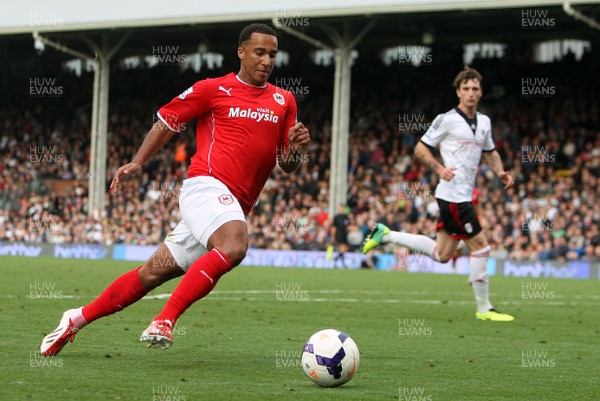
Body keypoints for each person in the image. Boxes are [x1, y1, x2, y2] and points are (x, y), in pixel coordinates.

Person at [40, 23, 310, 356]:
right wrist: (139, 161)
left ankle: (76, 318)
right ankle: (164, 319)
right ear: (241, 52)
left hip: (230, 207)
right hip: (205, 188)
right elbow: (167, 121)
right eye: (260, 52)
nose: (267, 60)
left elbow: (286, 164)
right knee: (235, 244)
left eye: (272, 54)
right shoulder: (214, 89)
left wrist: (296, 149)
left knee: (151, 274)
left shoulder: (285, 101)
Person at [362, 66, 514, 322]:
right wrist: (439, 167)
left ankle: (386, 234)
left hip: (462, 195)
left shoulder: (485, 122)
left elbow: (491, 152)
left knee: (442, 255)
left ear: (481, 92)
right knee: (482, 248)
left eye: (475, 89)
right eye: (466, 89)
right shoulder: (446, 119)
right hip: (453, 196)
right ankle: (484, 308)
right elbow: (420, 148)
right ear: (458, 92)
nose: (470, 93)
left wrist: (500, 173)